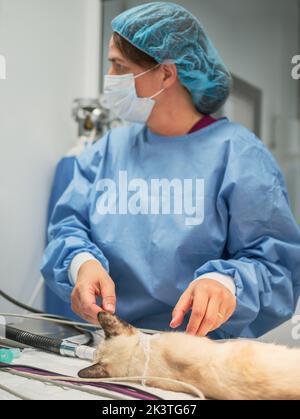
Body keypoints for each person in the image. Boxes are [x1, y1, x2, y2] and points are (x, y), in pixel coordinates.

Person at [41, 2, 300, 339]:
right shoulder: (109, 148)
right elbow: (68, 228)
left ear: (166, 73)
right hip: (112, 346)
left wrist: (224, 282)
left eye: (120, 66)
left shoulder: (238, 154)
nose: (111, 79)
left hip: (199, 357)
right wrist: (81, 264)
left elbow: (276, 266)